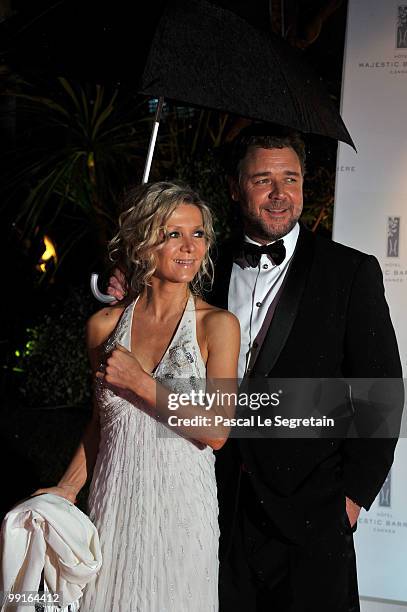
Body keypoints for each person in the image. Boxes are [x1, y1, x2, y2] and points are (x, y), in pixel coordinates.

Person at [107, 127, 403, 612]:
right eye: (263, 179)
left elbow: (381, 394)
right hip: (214, 507)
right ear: (234, 186)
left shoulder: (349, 272)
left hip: (312, 515)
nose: (279, 193)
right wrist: (134, 281)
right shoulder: (201, 266)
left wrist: (350, 500)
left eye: (291, 178)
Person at [34, 181, 240, 612]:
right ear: (144, 242)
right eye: (173, 234)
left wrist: (140, 382)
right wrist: (67, 490)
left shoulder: (216, 326)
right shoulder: (104, 327)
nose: (190, 247)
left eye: (198, 233)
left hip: (184, 516)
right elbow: (99, 425)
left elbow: (218, 431)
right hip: (114, 506)